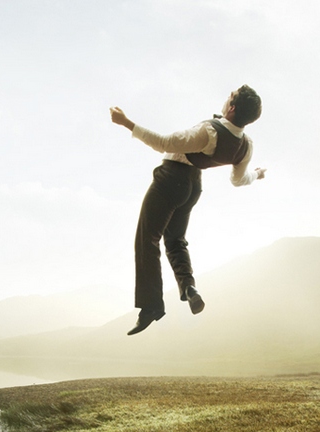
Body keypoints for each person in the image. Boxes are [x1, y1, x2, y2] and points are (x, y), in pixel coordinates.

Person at [110, 85, 265, 335]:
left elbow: (163, 143)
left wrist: (126, 123)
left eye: (230, 96)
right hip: (193, 187)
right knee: (175, 241)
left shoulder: (208, 132)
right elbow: (238, 179)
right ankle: (189, 288)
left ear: (233, 107)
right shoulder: (246, 145)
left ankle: (151, 307)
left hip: (170, 180)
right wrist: (256, 174)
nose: (226, 98)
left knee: (147, 239)